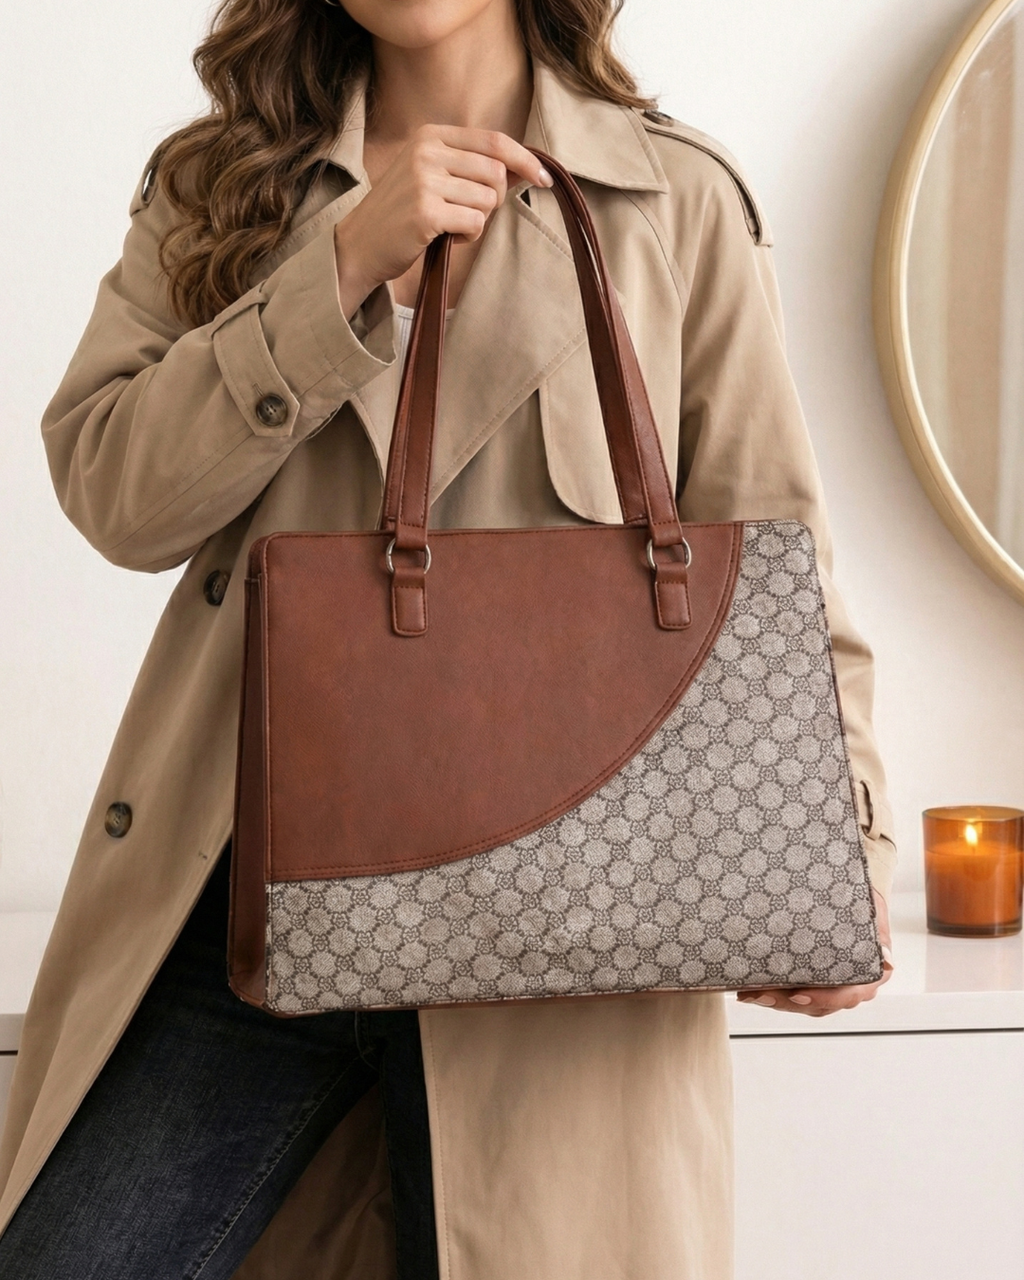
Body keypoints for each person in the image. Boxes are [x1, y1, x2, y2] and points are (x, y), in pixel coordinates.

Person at [0, 1, 898, 1277]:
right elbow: (115, 496)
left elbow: (774, 559)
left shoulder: (670, 201)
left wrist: (841, 844)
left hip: (569, 930)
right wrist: (341, 266)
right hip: (247, 900)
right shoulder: (218, 188)